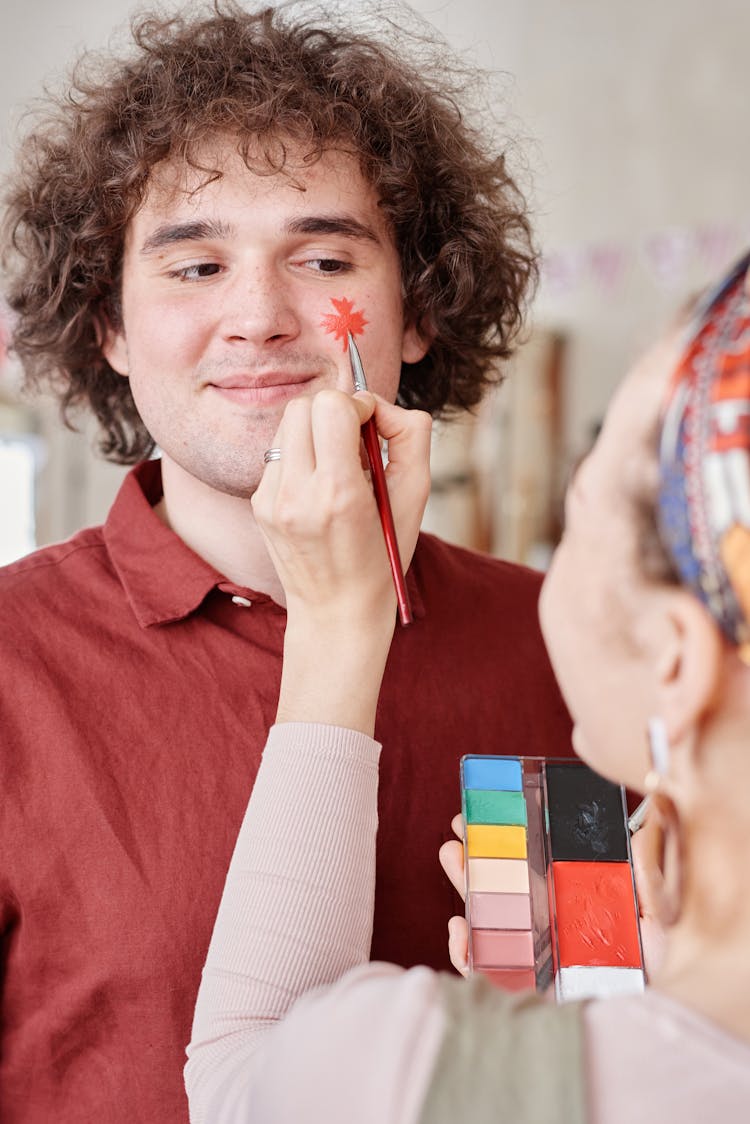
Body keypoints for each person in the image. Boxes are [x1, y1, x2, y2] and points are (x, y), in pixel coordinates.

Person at [0, 2, 573, 1119]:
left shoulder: (561, 639)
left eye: (322, 257)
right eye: (195, 266)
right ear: (110, 327)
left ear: (416, 310)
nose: (259, 317)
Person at [185, 252, 750, 1123]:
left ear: (676, 661)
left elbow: (239, 1069)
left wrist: (338, 620)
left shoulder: (397, 1068)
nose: (257, 313)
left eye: (581, 504)